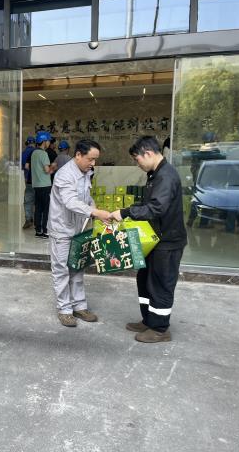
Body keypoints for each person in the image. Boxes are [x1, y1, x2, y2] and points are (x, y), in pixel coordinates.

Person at [111, 136, 187, 343]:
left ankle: (160, 329)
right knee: (145, 280)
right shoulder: (156, 174)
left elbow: (156, 208)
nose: (137, 164)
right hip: (154, 239)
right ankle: (149, 320)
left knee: (161, 284)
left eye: (137, 159)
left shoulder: (166, 176)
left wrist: (125, 212)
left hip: (167, 242)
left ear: (148, 153)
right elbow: (149, 204)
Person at [48, 139, 111, 327]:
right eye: (90, 159)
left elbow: (86, 197)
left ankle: (79, 306)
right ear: (78, 155)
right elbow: (70, 202)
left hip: (78, 229)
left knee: (77, 267)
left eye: (95, 159)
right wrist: (95, 212)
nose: (93, 163)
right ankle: (65, 310)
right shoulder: (64, 175)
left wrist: (95, 210)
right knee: (61, 270)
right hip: (61, 229)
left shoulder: (86, 173)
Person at [31, 131, 54, 238]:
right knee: (46, 209)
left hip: (36, 185)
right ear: (44, 141)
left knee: (38, 208)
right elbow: (46, 170)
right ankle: (45, 231)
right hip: (45, 185)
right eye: (48, 141)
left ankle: (38, 231)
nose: (49, 143)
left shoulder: (34, 153)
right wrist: (53, 167)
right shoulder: (43, 154)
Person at [21, 136, 36, 229]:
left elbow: (23, 166)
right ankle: (37, 219)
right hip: (37, 180)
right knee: (37, 200)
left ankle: (28, 219)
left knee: (28, 200)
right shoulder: (36, 152)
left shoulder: (24, 152)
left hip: (27, 179)